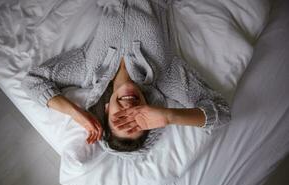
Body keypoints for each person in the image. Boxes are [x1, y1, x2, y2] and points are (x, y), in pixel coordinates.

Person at [21, 0, 231, 152]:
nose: (129, 109)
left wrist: (76, 113)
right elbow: (221, 113)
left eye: (120, 118)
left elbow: (33, 82)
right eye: (137, 118)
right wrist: (169, 116)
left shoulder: (87, 69)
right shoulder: (166, 75)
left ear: (105, 109)